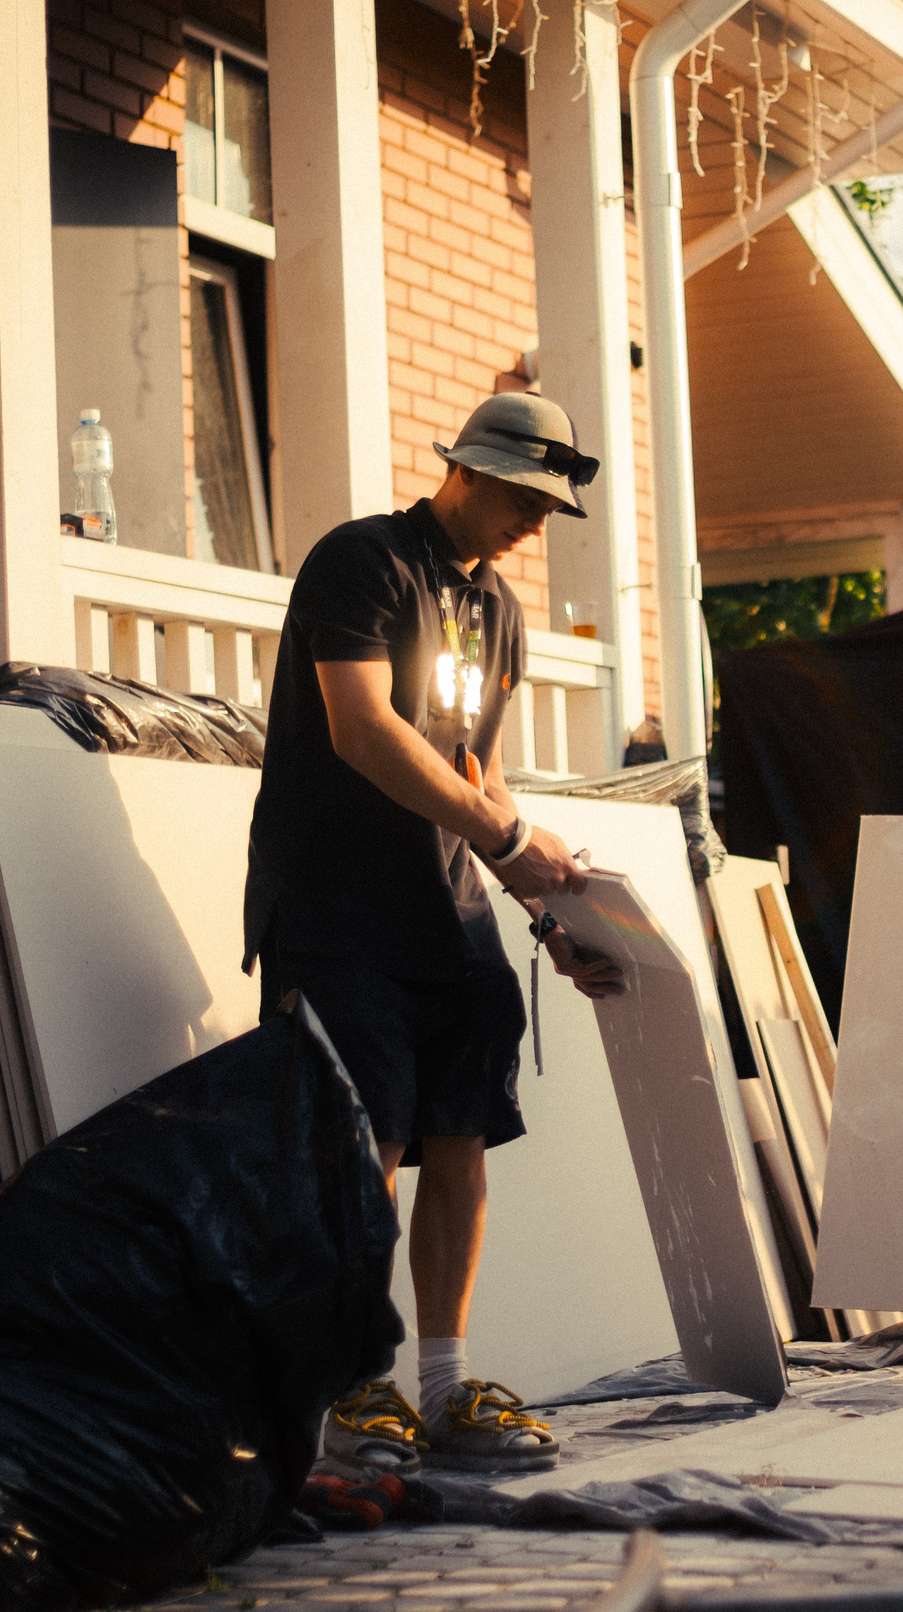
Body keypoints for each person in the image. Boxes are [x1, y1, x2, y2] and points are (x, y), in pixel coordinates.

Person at [244, 391, 625, 1472]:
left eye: (549, 509)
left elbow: (481, 774)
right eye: (521, 497)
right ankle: (354, 1386)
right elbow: (362, 730)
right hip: (334, 906)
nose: (533, 523)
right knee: (367, 1143)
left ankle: (447, 1387)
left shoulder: (501, 611)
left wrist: (546, 914)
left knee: (459, 1132)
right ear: (464, 469)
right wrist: (509, 839)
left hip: (446, 904)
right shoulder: (361, 561)